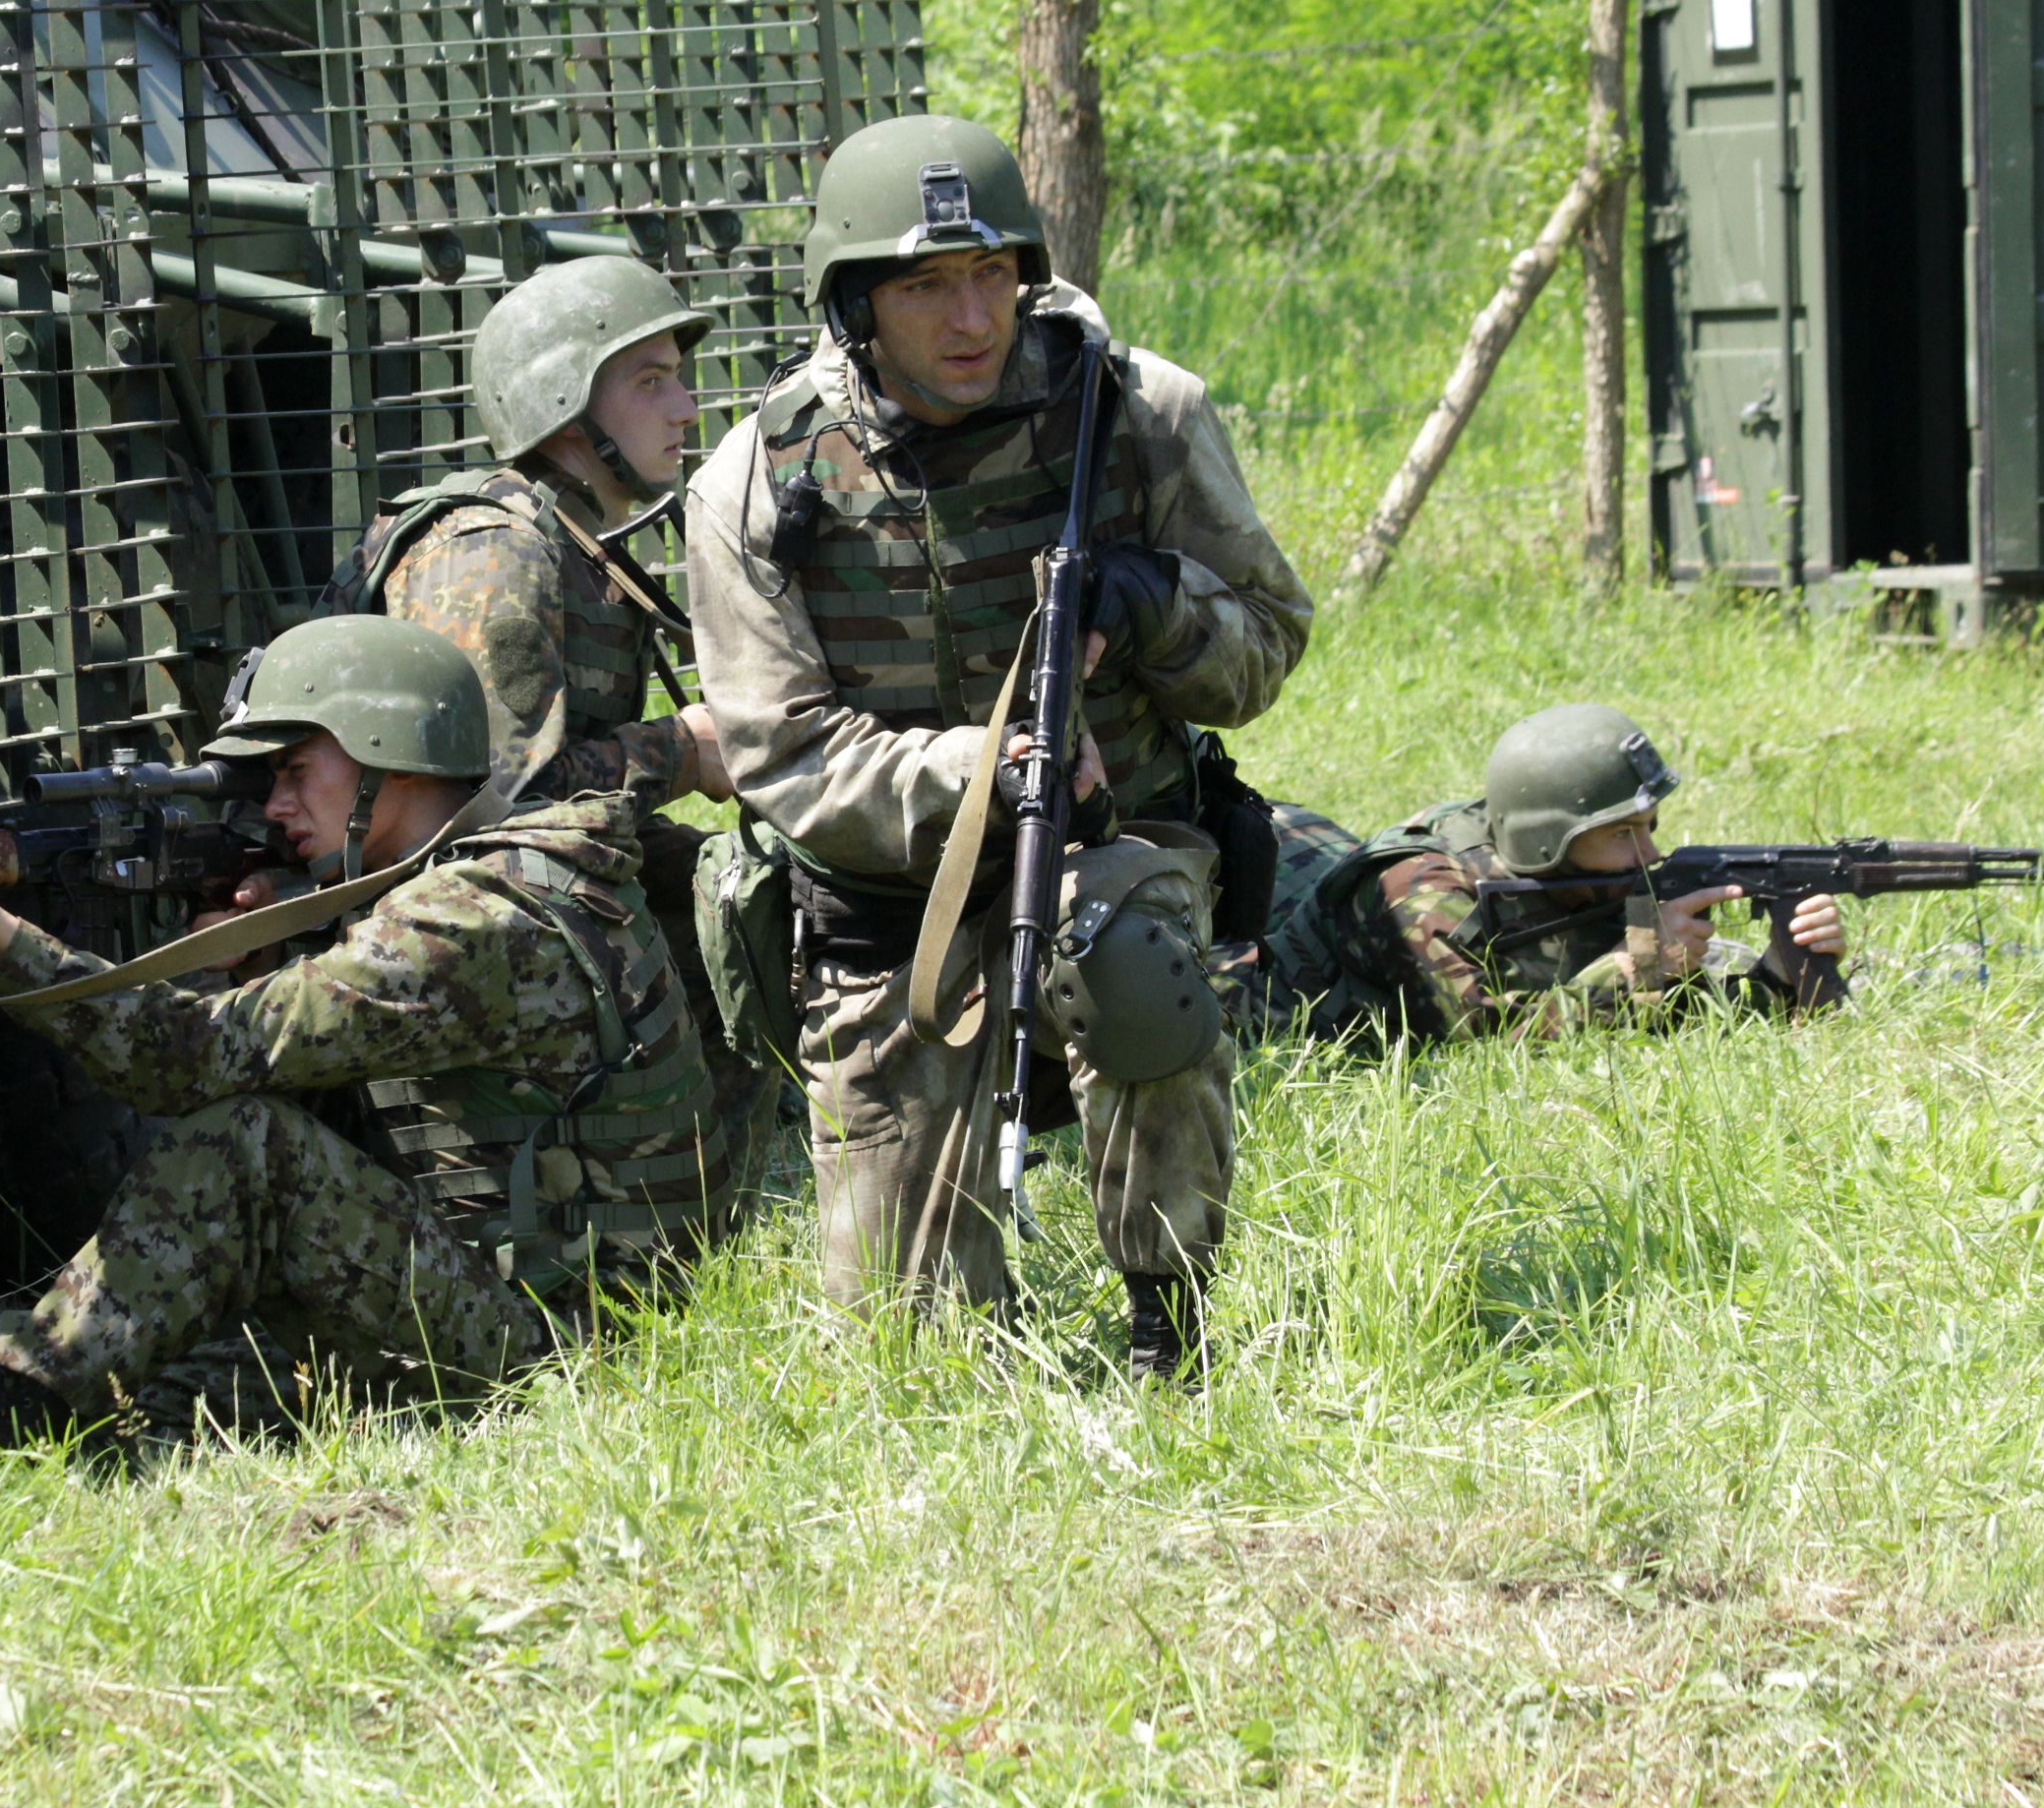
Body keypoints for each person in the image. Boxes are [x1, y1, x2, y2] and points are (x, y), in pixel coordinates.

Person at [683, 114, 1309, 1379]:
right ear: (857, 302)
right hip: (889, 911)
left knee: (1128, 947)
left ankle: (1167, 1328)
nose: (971, 318)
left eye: (990, 276)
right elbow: (781, 754)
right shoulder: (756, 482)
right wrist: (971, 771)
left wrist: (1152, 603)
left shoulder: (1139, 415)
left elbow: (1270, 643)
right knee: (917, 1358)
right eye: (925, 287)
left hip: (1112, 852)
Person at [0, 614, 759, 1452]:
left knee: (246, 1148)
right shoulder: (519, 869)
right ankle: (17, 1394)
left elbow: (186, 1064)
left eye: (292, 772)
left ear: (386, 755)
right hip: (582, 1311)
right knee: (166, 1409)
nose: (274, 807)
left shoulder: (466, 924)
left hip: (564, 1349)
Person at [328, 256, 778, 1160]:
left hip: (507, 889)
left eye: (677, 379)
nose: (686, 408)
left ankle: (710, 1171)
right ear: (563, 406)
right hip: (424, 905)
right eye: (650, 382)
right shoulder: (496, 551)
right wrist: (678, 753)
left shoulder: (569, 534)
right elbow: (490, 813)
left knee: (733, 897)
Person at [1236, 702, 1853, 1044]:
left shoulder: (1585, 877)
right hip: (1255, 950)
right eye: (1621, 834)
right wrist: (1635, 965)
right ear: (1547, 840)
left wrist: (1777, 977)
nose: (1649, 855)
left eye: (1650, 828)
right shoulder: (1422, 893)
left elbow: (1656, 1013)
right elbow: (1488, 1041)